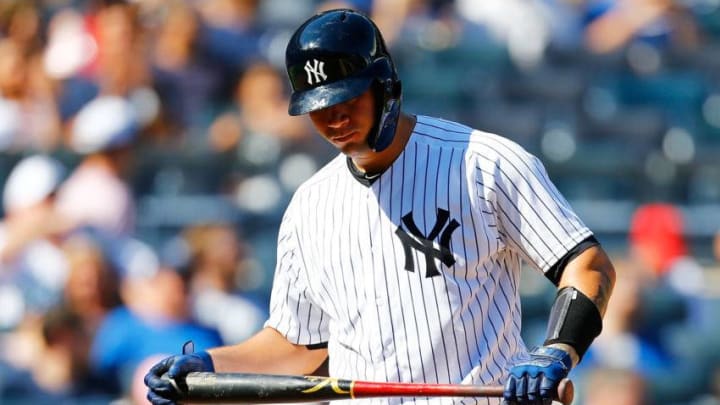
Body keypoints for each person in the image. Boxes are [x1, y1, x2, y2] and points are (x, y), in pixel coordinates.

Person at [145, 8, 616, 405]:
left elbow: (587, 264)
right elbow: (297, 346)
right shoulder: (309, 206)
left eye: (346, 98)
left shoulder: (483, 162)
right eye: (319, 106)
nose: (335, 118)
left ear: (385, 85)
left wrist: (558, 349)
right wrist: (209, 364)